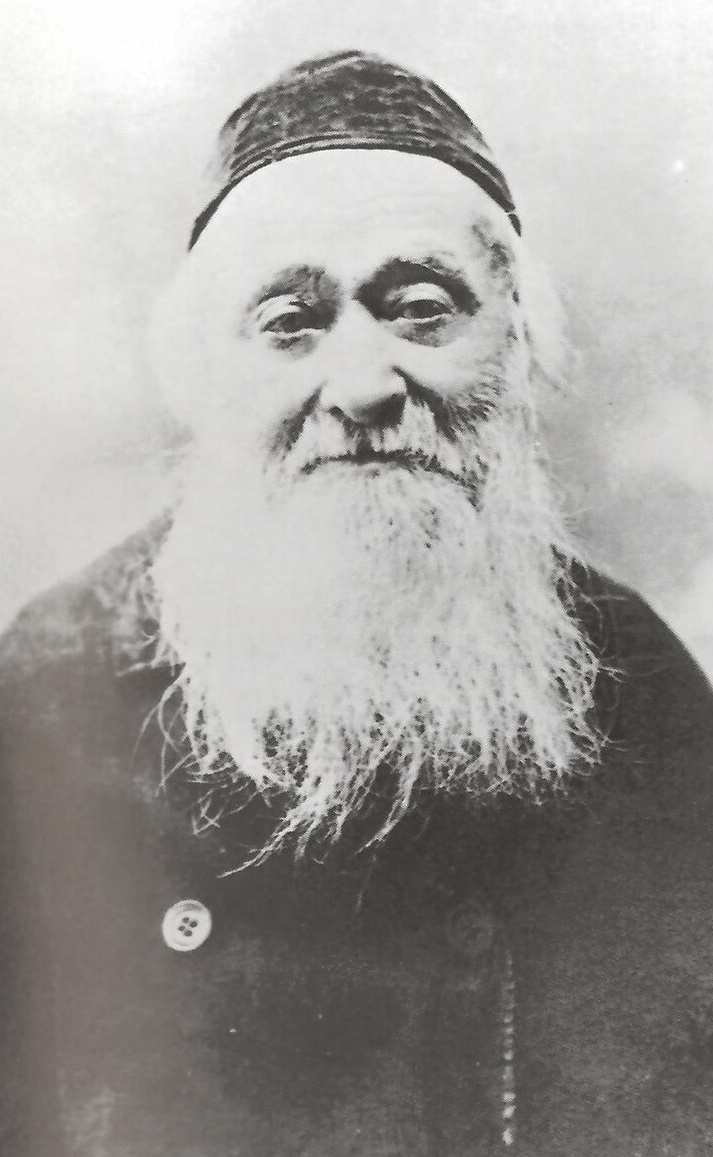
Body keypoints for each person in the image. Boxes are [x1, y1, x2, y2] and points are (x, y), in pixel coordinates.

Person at [1, 49, 712, 1157]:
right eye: (290, 322)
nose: (365, 383)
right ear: (205, 376)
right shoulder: (54, 689)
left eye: (421, 310)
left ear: (515, 351)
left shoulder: (644, 692)